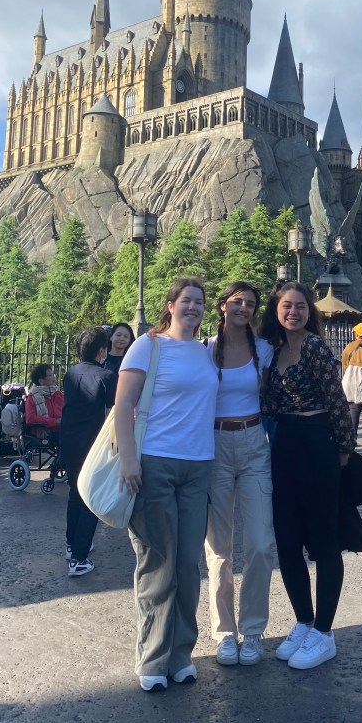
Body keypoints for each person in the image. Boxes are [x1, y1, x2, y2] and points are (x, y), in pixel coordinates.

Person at [114, 278, 219, 693]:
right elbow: (123, 403)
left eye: (199, 302)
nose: (193, 307)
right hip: (155, 461)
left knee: (188, 564)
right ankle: (152, 657)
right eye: (186, 300)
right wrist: (128, 458)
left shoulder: (206, 351)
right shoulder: (148, 345)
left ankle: (180, 654)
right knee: (158, 561)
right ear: (170, 305)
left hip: (198, 464)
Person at [260, 281, 355, 671]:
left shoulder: (314, 346)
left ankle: (324, 632)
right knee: (287, 540)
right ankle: (304, 620)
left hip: (317, 441)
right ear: (276, 310)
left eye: (300, 306)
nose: (293, 312)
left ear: (309, 312)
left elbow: (336, 398)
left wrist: (344, 449)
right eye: (287, 305)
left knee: (323, 540)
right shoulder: (273, 349)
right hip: (284, 443)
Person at [205, 281, 275, 668]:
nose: (243, 307)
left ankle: (253, 629)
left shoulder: (263, 350)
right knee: (218, 546)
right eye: (237, 301)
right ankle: (224, 631)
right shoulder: (206, 350)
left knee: (261, 543)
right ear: (222, 306)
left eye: (250, 303)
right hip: (214, 445)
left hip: (253, 443)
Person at [60, 327, 118, 576]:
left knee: (75, 493)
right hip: (92, 442)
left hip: (68, 438)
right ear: (102, 351)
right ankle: (79, 557)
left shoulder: (71, 372)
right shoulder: (106, 375)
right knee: (91, 498)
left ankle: (71, 544)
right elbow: (112, 411)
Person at [24, 363, 64, 434]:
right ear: (41, 381)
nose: (53, 377)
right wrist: (54, 422)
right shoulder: (32, 397)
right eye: (50, 375)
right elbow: (30, 419)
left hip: (62, 432)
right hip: (42, 436)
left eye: (52, 374)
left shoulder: (58, 394)